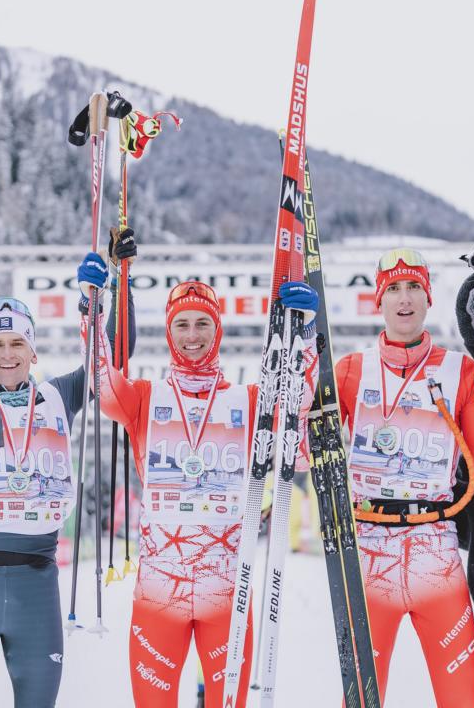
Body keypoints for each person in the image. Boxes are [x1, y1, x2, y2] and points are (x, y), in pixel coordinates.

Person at [0, 230, 137, 708]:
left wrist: (113, 287)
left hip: (37, 584)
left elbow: (113, 357)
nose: (7, 354)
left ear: (33, 350)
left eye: (18, 342)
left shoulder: (58, 398)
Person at [96, 278, 320, 708]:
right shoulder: (145, 396)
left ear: (218, 330)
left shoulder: (248, 400)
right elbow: (104, 387)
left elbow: (296, 418)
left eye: (203, 323)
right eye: (182, 324)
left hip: (227, 595)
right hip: (160, 596)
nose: (193, 335)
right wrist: (94, 309)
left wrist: (306, 338)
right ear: (169, 331)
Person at [333, 248, 474, 708]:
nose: (404, 298)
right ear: (379, 300)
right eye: (394, 288)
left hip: (435, 558)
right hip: (368, 558)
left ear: (427, 296)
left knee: (464, 699)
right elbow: (302, 459)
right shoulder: (350, 371)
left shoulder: (459, 371)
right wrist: (299, 390)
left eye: (414, 286)